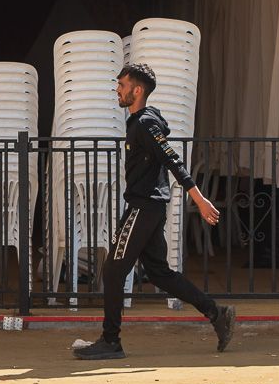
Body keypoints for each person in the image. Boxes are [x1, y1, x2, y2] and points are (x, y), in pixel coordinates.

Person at [73, 62, 235, 360]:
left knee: (112, 272)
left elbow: (174, 160)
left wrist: (198, 199)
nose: (117, 90)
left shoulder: (146, 124)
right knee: (159, 273)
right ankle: (217, 313)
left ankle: (111, 341)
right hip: (149, 206)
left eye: (122, 85)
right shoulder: (139, 121)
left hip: (144, 206)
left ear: (137, 90)